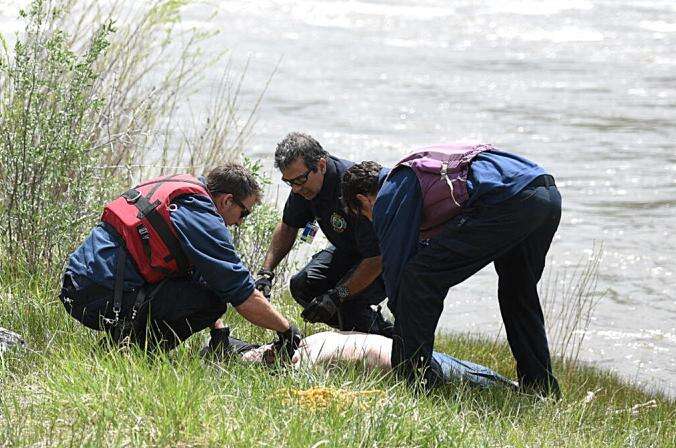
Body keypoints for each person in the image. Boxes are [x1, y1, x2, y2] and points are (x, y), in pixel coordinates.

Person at [341, 143, 562, 397]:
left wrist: (401, 317)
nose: (372, 221)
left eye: (364, 216)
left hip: (509, 200)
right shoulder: (416, 176)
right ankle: (540, 389)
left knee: (419, 279)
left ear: (362, 200)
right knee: (518, 295)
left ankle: (416, 381)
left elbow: (397, 268)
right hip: (544, 194)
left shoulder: (391, 190)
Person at [59, 163, 302, 355]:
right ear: (227, 200)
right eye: (244, 213)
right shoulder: (202, 217)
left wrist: (219, 334)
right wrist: (287, 330)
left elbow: (203, 275)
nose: (240, 222)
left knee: (205, 292)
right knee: (212, 301)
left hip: (80, 285)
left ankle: (122, 342)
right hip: (98, 297)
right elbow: (242, 294)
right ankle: (130, 351)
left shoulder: (186, 196)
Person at [254, 132, 393, 336]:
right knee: (303, 286)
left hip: (383, 260)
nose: (296, 188)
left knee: (346, 302)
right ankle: (364, 329)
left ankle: (386, 338)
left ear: (320, 165)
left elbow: (375, 259)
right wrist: (266, 273)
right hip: (348, 250)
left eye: (300, 180)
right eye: (289, 182)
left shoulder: (353, 187)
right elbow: (288, 227)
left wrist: (337, 296)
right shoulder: (302, 186)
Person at [228, 330, 516, 390]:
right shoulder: (313, 341)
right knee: (472, 374)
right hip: (406, 355)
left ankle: (521, 390)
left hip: (408, 363)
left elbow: (304, 387)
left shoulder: (308, 353)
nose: (261, 354)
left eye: (257, 353)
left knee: (480, 381)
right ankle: (520, 388)